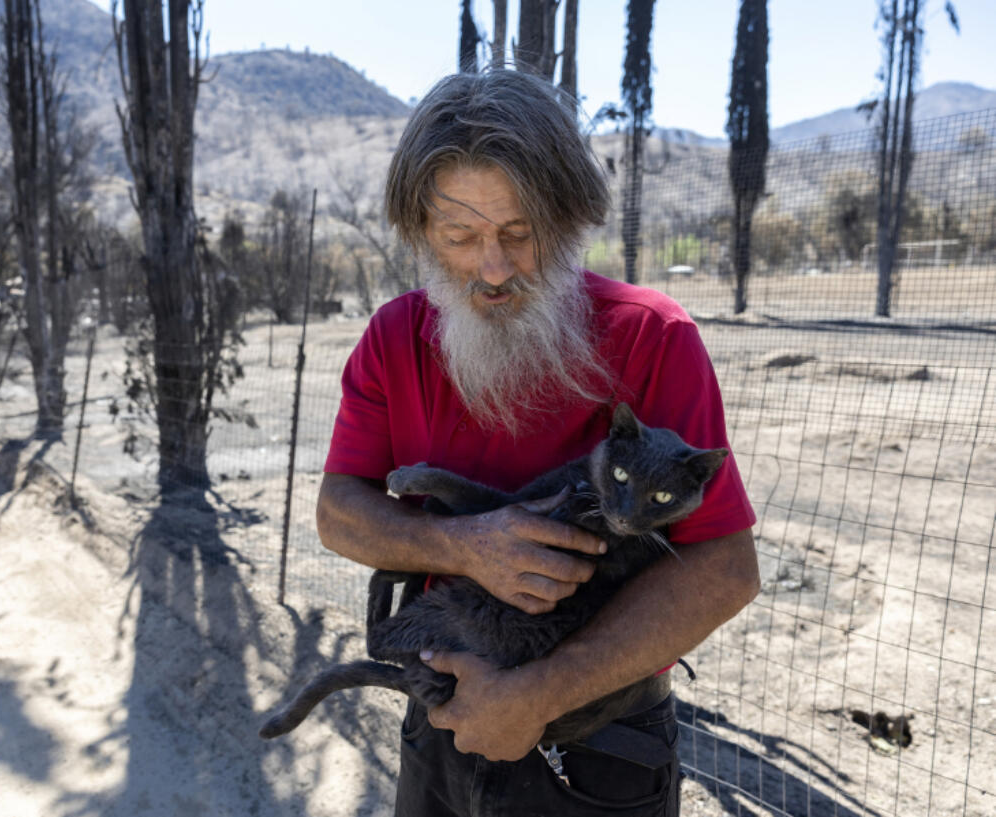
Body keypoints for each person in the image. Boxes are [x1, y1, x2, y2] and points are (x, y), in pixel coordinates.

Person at [317, 69, 759, 816]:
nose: (493, 269)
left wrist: (536, 694)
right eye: (460, 237)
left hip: (600, 741)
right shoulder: (393, 339)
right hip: (442, 715)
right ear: (422, 232)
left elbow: (724, 568)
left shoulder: (653, 336)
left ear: (569, 218)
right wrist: (462, 544)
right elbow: (339, 512)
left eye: (520, 233)